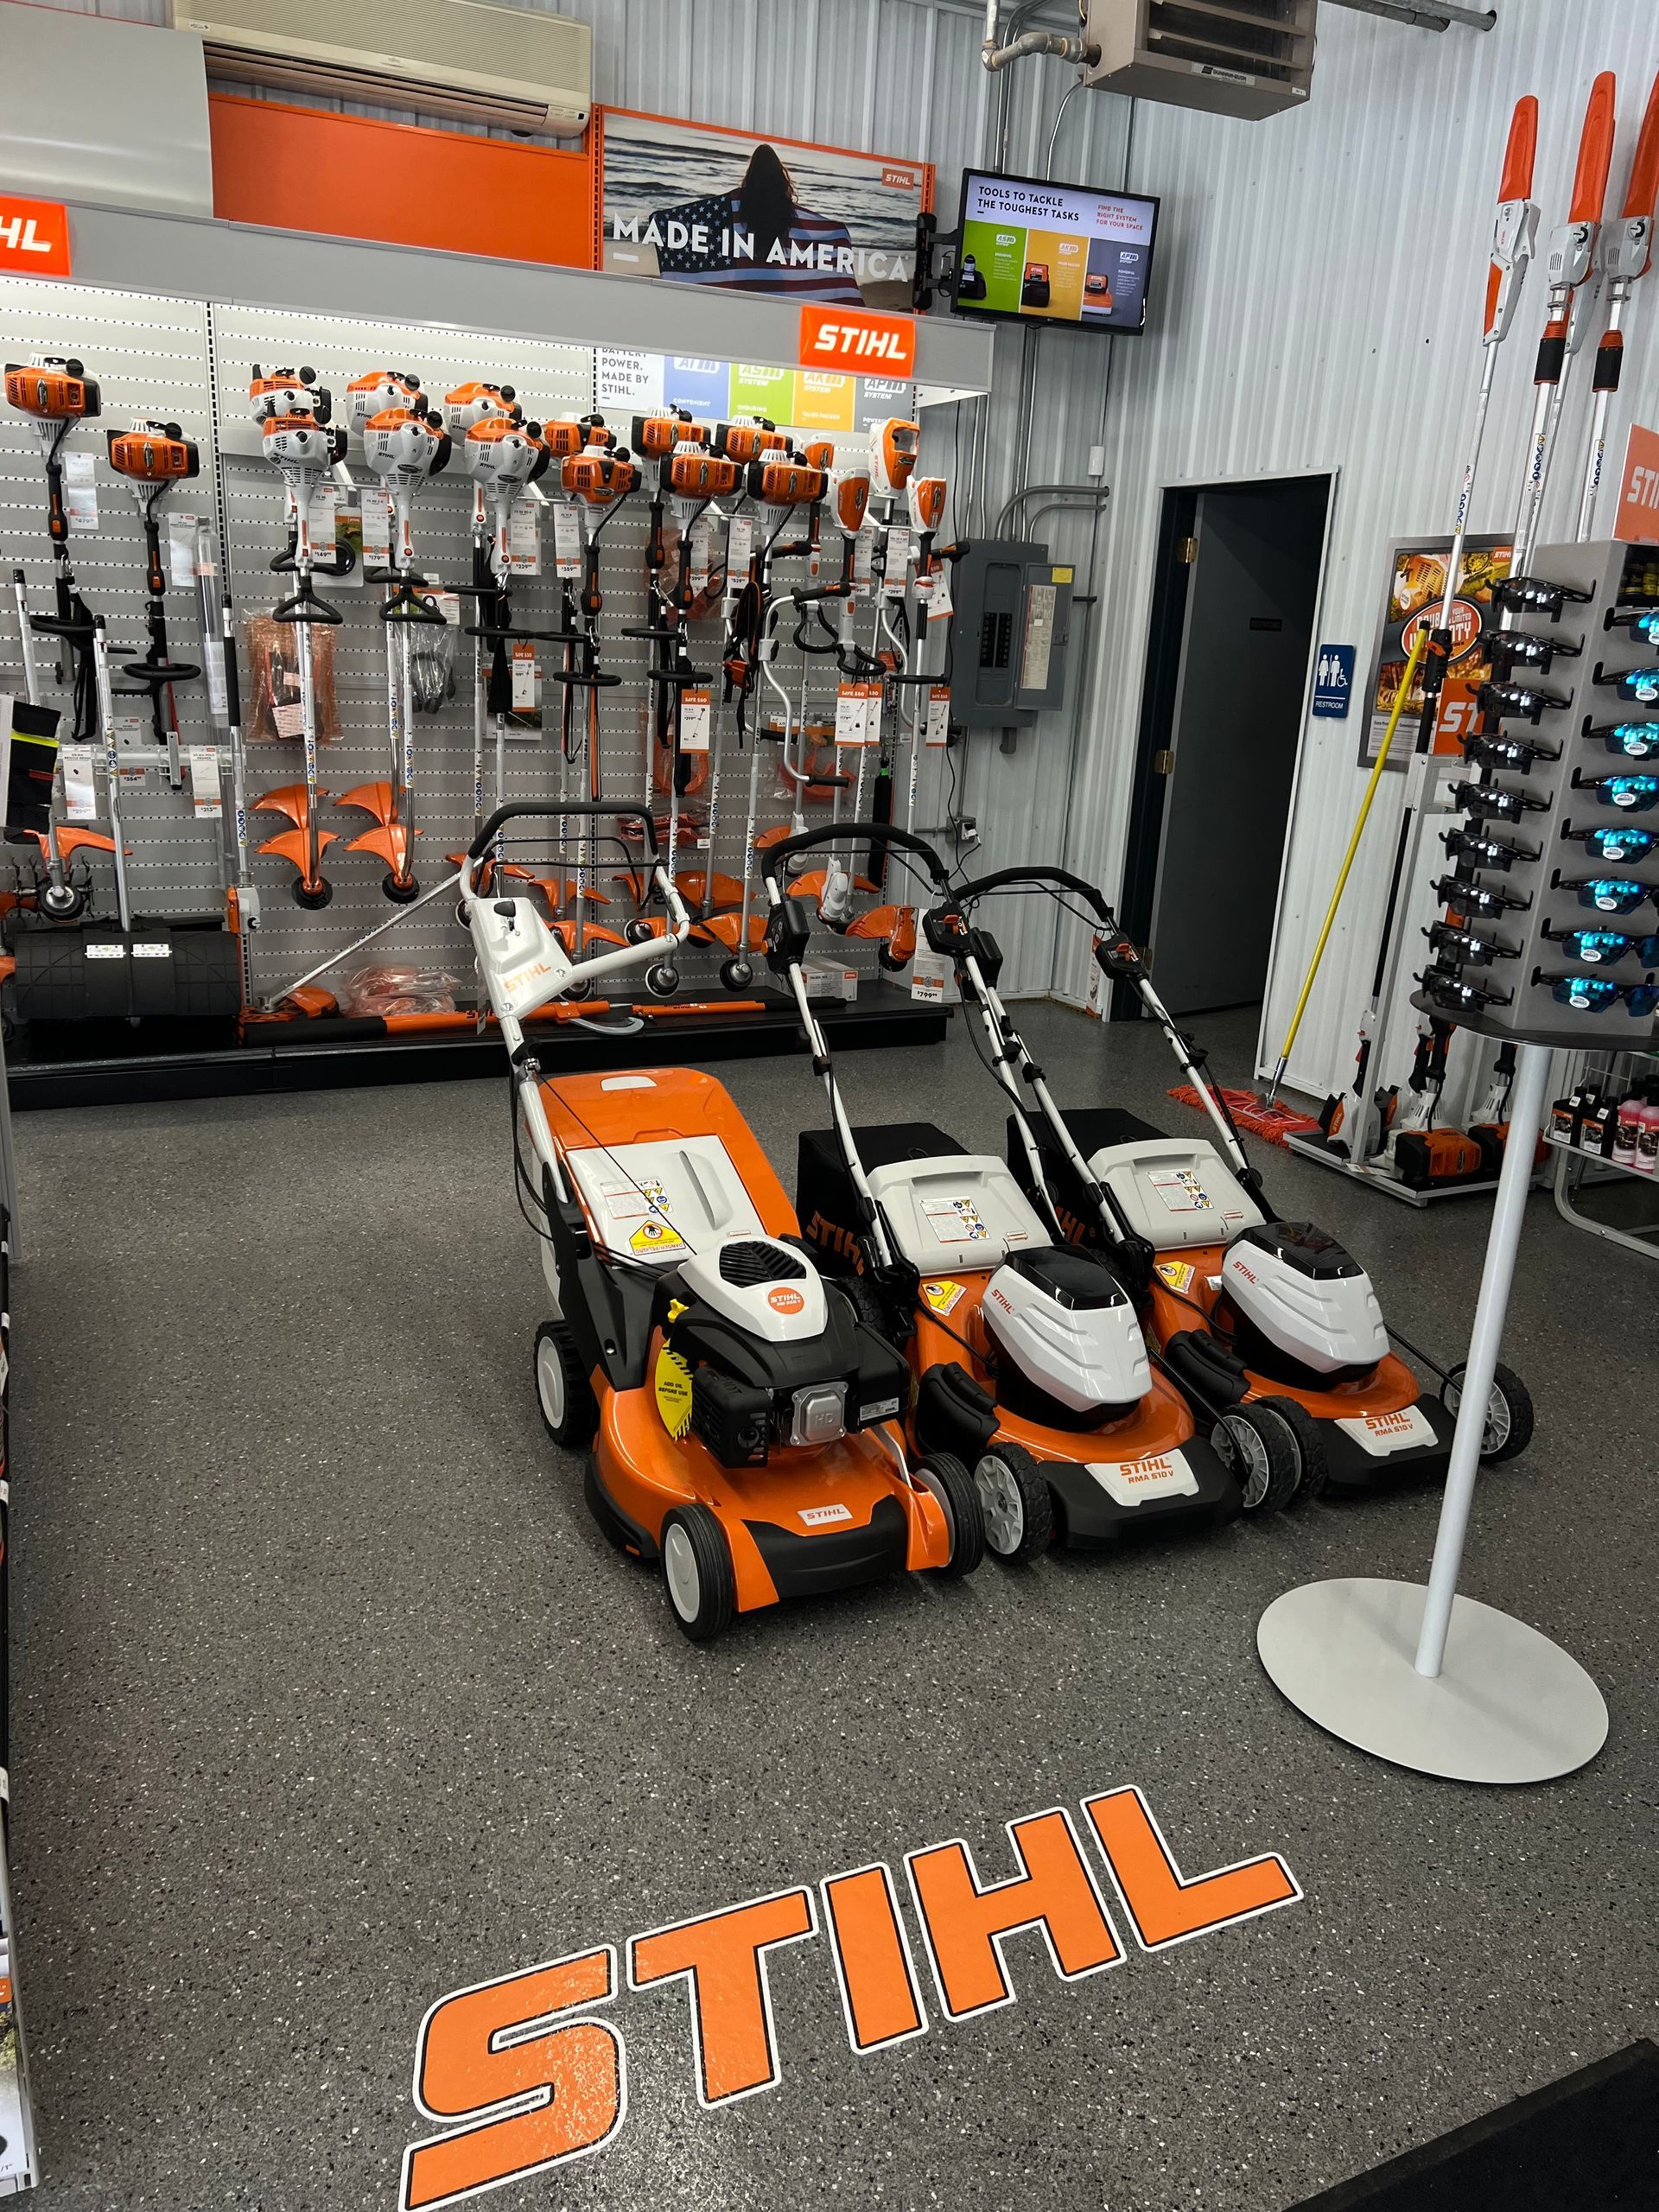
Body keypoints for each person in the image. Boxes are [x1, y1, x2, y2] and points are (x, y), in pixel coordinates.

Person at [647, 143, 865, 304]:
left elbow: (705, 221)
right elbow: (809, 234)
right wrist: (837, 233)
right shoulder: (787, 212)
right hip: (779, 286)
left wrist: (663, 221)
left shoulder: (735, 206)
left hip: (745, 286)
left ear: (750, 174)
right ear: (781, 178)